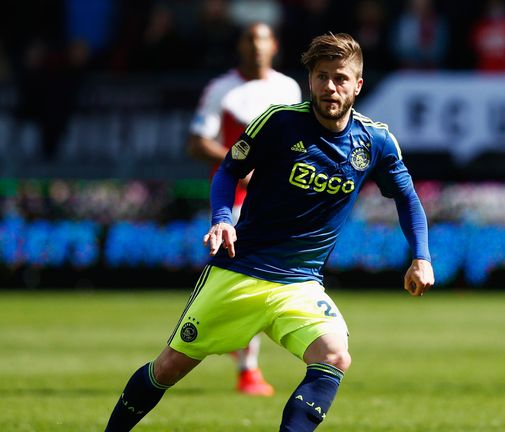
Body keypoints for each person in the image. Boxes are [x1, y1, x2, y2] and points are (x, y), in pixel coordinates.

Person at [105, 32, 435, 431]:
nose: (330, 87)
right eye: (322, 76)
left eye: (341, 78)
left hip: (301, 283)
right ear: (310, 80)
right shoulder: (280, 122)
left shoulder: (376, 140)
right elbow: (229, 169)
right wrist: (223, 218)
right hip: (239, 272)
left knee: (334, 355)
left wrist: (420, 256)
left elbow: (408, 198)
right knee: (170, 367)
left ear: (358, 84)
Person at [187, 21, 302, 396]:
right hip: (234, 203)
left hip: (276, 200)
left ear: (275, 46)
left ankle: (235, 358)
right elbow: (197, 142)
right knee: (248, 281)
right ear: (240, 45)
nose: (257, 47)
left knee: (252, 282)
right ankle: (244, 367)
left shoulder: (288, 88)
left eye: (263, 39)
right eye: (251, 39)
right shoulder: (223, 89)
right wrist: (240, 166)